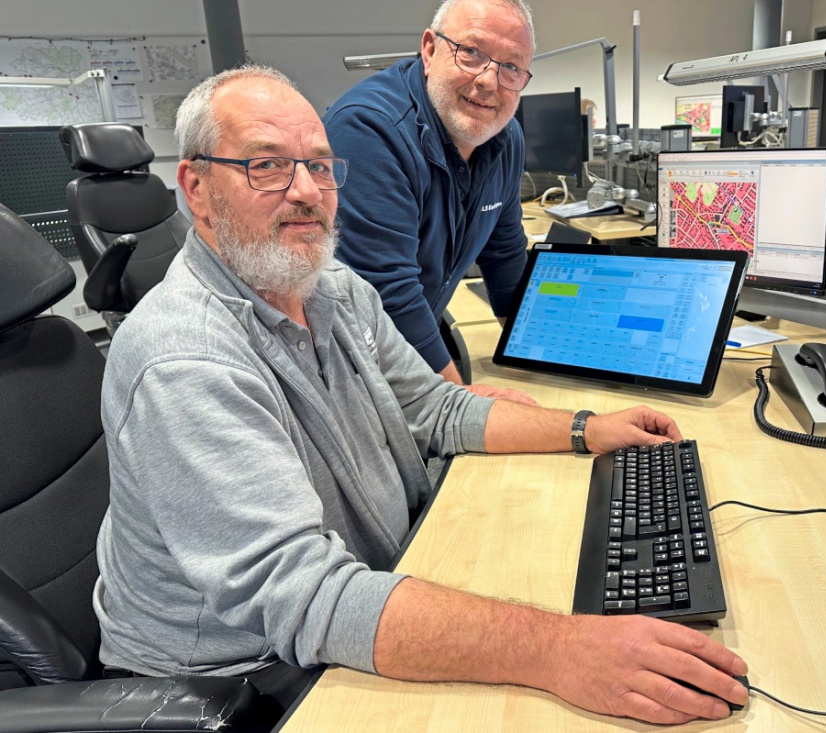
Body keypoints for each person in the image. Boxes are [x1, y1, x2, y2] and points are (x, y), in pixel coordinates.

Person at [93, 65, 748, 725]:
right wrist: (560, 649)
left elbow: (435, 408)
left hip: (372, 576)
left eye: (318, 166)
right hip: (244, 675)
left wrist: (584, 428)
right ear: (198, 189)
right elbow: (302, 595)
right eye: (266, 166)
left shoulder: (332, 289)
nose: (307, 191)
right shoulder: (185, 359)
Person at [323, 0, 535, 396]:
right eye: (471, 52)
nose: (489, 81)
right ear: (430, 50)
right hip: (347, 373)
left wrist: (539, 362)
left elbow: (504, 254)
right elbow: (389, 294)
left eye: (511, 66)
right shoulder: (368, 130)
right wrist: (461, 405)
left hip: (410, 353)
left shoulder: (505, 138)